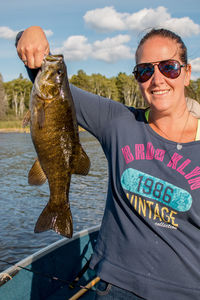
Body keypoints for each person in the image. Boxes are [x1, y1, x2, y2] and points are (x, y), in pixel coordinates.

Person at [16, 26, 200, 299]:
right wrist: (29, 34)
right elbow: (54, 91)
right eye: (145, 71)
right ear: (138, 78)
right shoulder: (119, 122)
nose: (157, 79)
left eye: (169, 67)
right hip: (115, 285)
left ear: (187, 73)